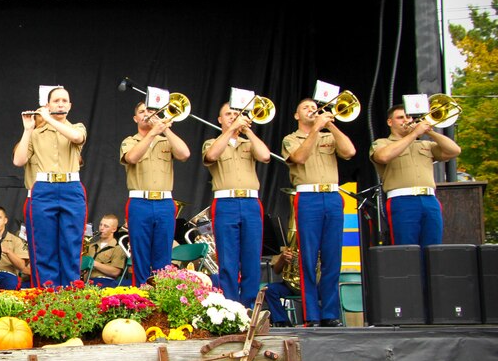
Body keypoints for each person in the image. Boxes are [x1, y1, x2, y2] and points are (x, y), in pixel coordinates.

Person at [282, 98, 356, 327]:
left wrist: (331, 125)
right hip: (308, 197)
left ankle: (330, 313)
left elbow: (350, 151)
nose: (312, 110)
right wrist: (315, 129)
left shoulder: (329, 136)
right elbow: (300, 158)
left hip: (333, 196)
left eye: (315, 107)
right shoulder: (291, 139)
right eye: (306, 107)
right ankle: (311, 314)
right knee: (308, 257)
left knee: (333, 258)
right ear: (296, 115)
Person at [13, 86, 87, 288]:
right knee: (44, 247)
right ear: (47, 105)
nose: (61, 104)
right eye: (56, 101)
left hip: (70, 186)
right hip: (44, 188)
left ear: (70, 106)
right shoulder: (36, 133)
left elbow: (77, 138)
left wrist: (51, 119)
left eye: (64, 101)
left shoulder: (77, 127)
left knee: (71, 246)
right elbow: (19, 161)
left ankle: (70, 296)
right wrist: (28, 129)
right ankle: (47, 297)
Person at [202, 101, 272, 307]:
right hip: (225, 201)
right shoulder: (211, 142)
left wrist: (248, 131)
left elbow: (265, 156)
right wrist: (231, 130)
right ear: (220, 119)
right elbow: (211, 155)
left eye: (236, 114)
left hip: (251, 201)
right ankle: (231, 305)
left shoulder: (248, 143)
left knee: (251, 256)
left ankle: (249, 305)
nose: (233, 117)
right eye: (228, 114)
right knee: (228, 257)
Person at [120, 100, 191, 286]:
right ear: (135, 118)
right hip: (139, 202)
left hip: (165, 202)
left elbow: (185, 154)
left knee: (163, 255)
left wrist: (165, 129)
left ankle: (161, 301)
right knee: (140, 254)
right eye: (143, 112)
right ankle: (141, 298)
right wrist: (152, 132)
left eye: (151, 111)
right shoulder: (129, 141)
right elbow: (132, 157)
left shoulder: (166, 139)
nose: (147, 115)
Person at [370, 104, 461, 247]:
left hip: (430, 199)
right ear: (390, 122)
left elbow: (454, 151)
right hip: (402, 200)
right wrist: (413, 134)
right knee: (406, 248)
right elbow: (384, 156)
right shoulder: (382, 143)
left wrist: (430, 132)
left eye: (409, 117)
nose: (406, 120)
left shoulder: (425, 144)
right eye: (400, 117)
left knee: (433, 248)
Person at [85, 214, 128, 287]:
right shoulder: (90, 246)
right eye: (101, 225)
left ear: (114, 229)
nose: (101, 228)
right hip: (87, 282)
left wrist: (94, 263)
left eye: (106, 226)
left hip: (105, 282)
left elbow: (115, 272)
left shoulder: (118, 247)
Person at [264, 245, 299, 327]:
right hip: (290, 286)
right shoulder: (284, 244)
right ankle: (282, 321)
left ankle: (321, 319)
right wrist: (282, 259)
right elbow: (276, 270)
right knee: (269, 289)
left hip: (311, 285)